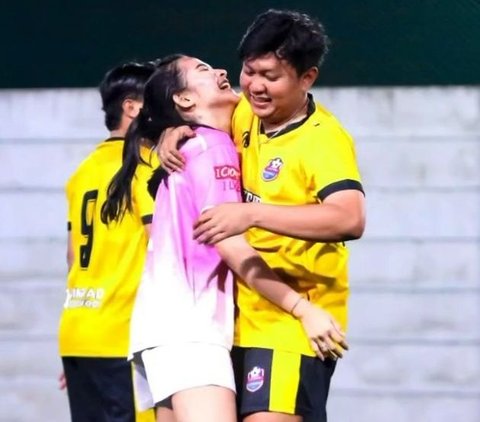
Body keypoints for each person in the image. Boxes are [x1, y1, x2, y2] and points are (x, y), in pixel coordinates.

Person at [102, 54, 345, 422]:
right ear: (184, 100)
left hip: (160, 330)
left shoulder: (194, 143)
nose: (220, 72)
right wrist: (303, 308)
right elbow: (231, 243)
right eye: (203, 70)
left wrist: (169, 129)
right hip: (190, 331)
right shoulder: (212, 148)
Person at [159, 9, 366, 422]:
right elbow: (197, 107)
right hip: (232, 322)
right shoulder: (244, 113)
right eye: (249, 71)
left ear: (307, 78)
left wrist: (252, 215)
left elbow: (349, 218)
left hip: (292, 325)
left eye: (271, 76)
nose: (255, 86)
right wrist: (173, 129)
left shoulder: (324, 141)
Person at [58, 61, 157, 422]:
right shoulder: (142, 164)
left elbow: (73, 257)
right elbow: (161, 248)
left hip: (80, 333)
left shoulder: (83, 170)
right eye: (158, 98)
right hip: (123, 335)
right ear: (132, 107)